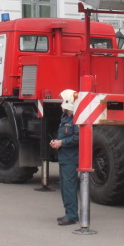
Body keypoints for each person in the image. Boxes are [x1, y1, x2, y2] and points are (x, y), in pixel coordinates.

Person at [50, 89, 79, 226]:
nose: (61, 104)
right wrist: (56, 141)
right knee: (64, 187)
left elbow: (77, 137)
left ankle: (72, 215)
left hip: (70, 158)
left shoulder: (75, 119)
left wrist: (61, 143)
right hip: (64, 157)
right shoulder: (65, 118)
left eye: (63, 101)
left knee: (69, 187)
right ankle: (69, 212)